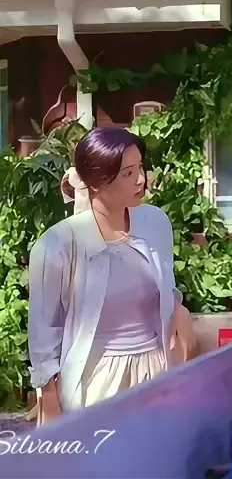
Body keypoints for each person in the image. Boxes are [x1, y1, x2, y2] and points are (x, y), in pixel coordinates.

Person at [27, 126, 198, 425]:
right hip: (96, 380)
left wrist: (179, 312)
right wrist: (50, 402)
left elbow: (165, 287)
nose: (141, 179)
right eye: (128, 174)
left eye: (140, 167)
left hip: (154, 372)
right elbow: (44, 332)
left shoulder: (155, 223)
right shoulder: (58, 244)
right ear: (97, 182)